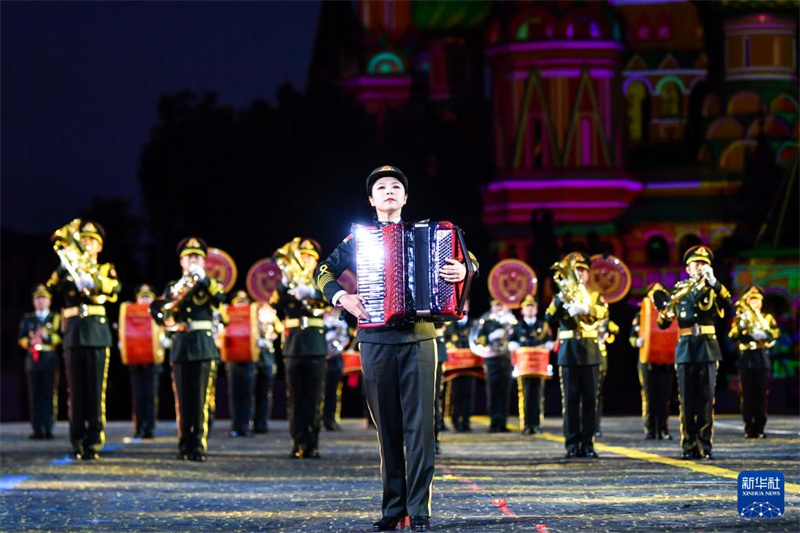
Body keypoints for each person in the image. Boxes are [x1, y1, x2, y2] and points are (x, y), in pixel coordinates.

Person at [315, 165, 477, 532]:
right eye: (381, 187)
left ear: (405, 197)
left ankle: (419, 509)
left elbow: (469, 260)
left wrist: (461, 270)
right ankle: (393, 506)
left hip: (421, 336)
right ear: (371, 200)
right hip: (374, 339)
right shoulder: (358, 238)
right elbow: (324, 270)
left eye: (396, 187)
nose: (389, 191)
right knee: (386, 426)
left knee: (420, 427)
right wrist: (343, 296)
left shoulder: (434, 233)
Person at [47, 220, 121, 460]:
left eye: (92, 241)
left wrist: (94, 282)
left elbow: (116, 288)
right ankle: (77, 441)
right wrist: (63, 265)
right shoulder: (68, 270)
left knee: (95, 390)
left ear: (99, 247)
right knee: (75, 391)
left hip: (97, 334)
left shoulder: (105, 268)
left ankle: (94, 442)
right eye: (84, 240)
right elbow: (50, 289)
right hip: (74, 334)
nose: (87, 244)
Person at [155, 237, 226, 462]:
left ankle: (198, 446)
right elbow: (163, 314)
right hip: (181, 344)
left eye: (197, 257)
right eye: (189, 257)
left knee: (201, 399)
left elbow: (220, 299)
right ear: (182, 262)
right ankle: (184, 444)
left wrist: (203, 280)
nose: (193, 259)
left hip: (203, 345)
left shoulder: (211, 283)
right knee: (183, 400)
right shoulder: (172, 287)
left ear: (204, 262)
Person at [658, 245, 732, 460]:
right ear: (688, 268)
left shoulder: (713, 289)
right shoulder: (679, 291)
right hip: (686, 348)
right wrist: (664, 313)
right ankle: (689, 445)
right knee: (687, 400)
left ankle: (705, 445)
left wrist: (715, 282)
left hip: (708, 348)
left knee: (706, 400)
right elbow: (663, 323)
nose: (699, 267)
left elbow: (728, 303)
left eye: (703, 263)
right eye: (695, 263)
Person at [543, 252, 607, 459]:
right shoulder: (560, 295)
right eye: (576, 270)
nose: (580, 274)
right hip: (569, 352)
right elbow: (547, 317)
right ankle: (572, 444)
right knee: (570, 401)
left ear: (588, 274)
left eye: (583, 270)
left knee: (590, 400)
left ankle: (587, 444)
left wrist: (585, 307)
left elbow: (603, 312)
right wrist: (560, 300)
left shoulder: (595, 294)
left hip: (589, 350)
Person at [273, 238, 328, 459]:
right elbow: (276, 304)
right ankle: (297, 443)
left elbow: (329, 300)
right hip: (294, 345)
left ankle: (312, 444)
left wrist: (311, 292)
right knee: (295, 399)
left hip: (315, 345)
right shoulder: (288, 282)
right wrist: (286, 283)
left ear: (316, 262)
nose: (305, 260)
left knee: (315, 398)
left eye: (309, 257)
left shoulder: (322, 280)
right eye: (302, 256)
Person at [729, 286, 780, 439]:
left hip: (761, 357)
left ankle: (760, 426)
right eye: (752, 299)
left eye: (757, 299)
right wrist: (741, 326)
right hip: (746, 357)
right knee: (747, 394)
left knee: (761, 394)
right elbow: (732, 335)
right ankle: (748, 426)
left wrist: (764, 334)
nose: (755, 302)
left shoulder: (767, 318)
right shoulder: (741, 316)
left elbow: (775, 333)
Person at [630, 283, 676, 440]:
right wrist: (637, 341)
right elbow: (631, 336)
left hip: (666, 361)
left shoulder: (669, 314)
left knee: (664, 397)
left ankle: (663, 428)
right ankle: (650, 429)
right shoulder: (640, 315)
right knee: (649, 397)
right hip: (647, 361)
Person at [17, 284, 61, 439]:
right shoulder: (28, 318)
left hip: (49, 358)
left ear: (49, 301)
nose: (41, 301)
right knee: (34, 395)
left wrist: (46, 336)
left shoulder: (55, 318)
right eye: (38, 299)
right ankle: (37, 429)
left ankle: (48, 427)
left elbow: (60, 337)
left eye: (44, 298)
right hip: (33, 359)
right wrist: (30, 342)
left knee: (49, 394)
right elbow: (21, 338)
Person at [508, 294, 552, 435]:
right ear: (522, 310)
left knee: (538, 395)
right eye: (527, 307)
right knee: (525, 394)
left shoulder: (543, 326)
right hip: (524, 366)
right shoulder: (517, 327)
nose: (530, 309)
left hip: (539, 366)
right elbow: (511, 343)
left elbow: (550, 342)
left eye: (532, 306)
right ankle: (526, 424)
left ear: (537, 309)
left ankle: (537, 424)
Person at [473, 299, 517, 433]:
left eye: (501, 305)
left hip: (506, 360)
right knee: (492, 392)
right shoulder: (487, 322)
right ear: (492, 308)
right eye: (496, 305)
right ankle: (493, 422)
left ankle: (502, 422)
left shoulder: (511, 322)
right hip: (491, 360)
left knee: (505, 392)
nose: (499, 308)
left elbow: (517, 337)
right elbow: (479, 339)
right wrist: (490, 337)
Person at [128, 283, 163, 439]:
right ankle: (139, 427)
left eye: (148, 297)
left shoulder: (158, 313)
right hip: (136, 360)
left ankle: (150, 427)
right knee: (138, 395)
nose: (145, 300)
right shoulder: (131, 314)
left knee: (150, 395)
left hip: (153, 360)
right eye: (142, 298)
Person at [225, 290, 256, 438]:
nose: (241, 305)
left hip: (249, 359)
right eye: (238, 302)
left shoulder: (253, 317)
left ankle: (246, 424)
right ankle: (236, 425)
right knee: (235, 394)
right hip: (233, 359)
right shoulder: (228, 316)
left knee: (247, 393)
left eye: (244, 302)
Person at [443, 301, 476, 432]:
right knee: (454, 393)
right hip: (454, 366)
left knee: (469, 393)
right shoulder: (450, 324)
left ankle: (466, 420)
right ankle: (455, 420)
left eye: (465, 305)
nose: (463, 308)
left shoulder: (473, 324)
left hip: (470, 364)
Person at [253, 301, 282, 434]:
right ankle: (248, 422)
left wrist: (272, 317)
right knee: (251, 392)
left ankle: (262, 423)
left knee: (265, 392)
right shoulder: (252, 311)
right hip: (253, 355)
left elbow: (280, 329)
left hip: (267, 356)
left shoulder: (271, 314)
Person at [322, 307, 349, 431]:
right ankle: (319, 419)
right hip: (321, 359)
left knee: (333, 392)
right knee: (319, 392)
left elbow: (344, 339)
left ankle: (331, 419)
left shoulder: (340, 322)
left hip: (334, 360)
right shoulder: (321, 320)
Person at [594, 318, 618, 438]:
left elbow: (616, 330)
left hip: (600, 361)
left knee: (597, 395)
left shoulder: (606, 321)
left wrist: (607, 331)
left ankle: (596, 426)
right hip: (586, 357)